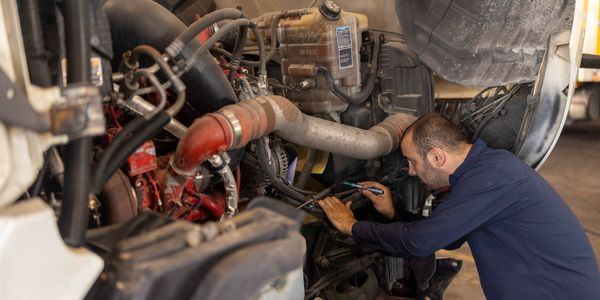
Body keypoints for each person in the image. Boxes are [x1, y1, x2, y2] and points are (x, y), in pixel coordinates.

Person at [318, 113, 600, 299]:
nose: (411, 171)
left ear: (437, 157)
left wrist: (352, 227)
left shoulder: (494, 176)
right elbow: (448, 237)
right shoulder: (482, 172)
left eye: (412, 161)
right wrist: (392, 212)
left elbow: (421, 242)